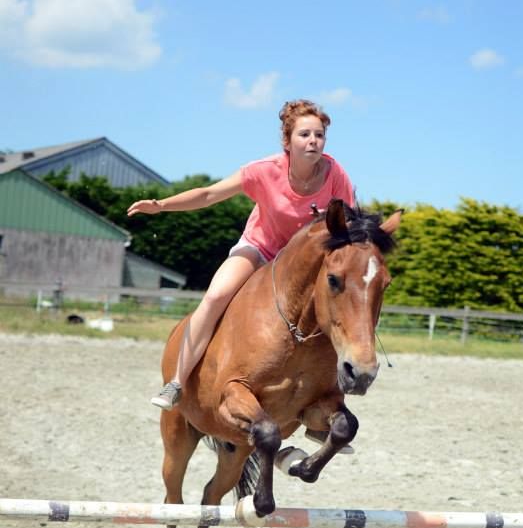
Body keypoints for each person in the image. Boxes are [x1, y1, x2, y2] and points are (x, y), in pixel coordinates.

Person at [127, 99, 355, 417]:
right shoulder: (262, 171)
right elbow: (209, 194)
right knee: (217, 294)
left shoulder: (335, 174)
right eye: (304, 134)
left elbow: (351, 221)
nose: (313, 141)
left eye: (319, 135)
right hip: (260, 250)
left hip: (302, 266)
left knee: (345, 302)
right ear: (287, 140)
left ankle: (331, 398)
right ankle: (177, 381)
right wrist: (161, 205)